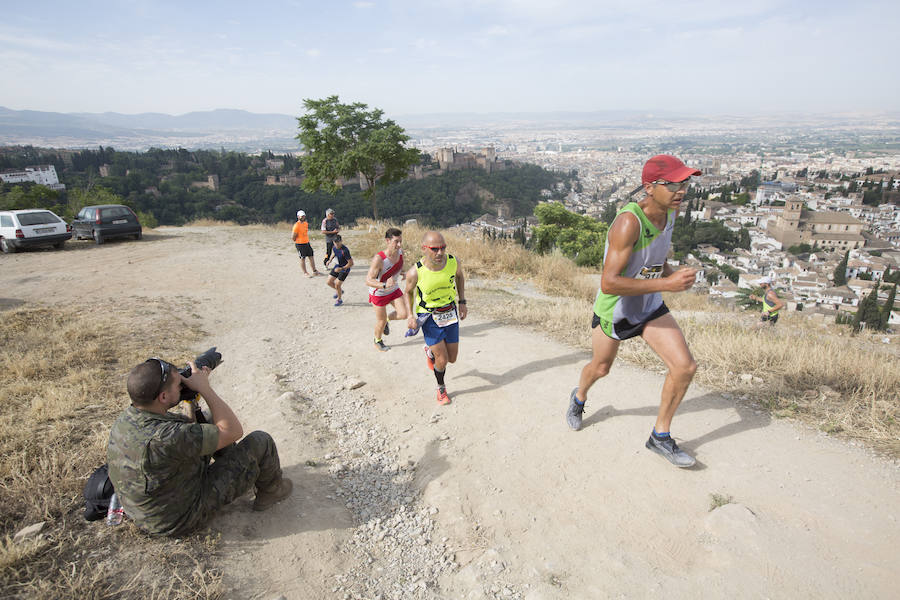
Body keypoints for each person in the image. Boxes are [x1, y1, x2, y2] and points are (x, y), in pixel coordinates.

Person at [566, 154, 701, 468]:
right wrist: (667, 284)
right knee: (600, 369)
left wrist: (669, 272)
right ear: (649, 187)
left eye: (685, 183)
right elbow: (609, 283)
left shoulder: (671, 211)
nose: (681, 190)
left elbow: (655, 254)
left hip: (650, 305)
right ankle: (579, 397)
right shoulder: (628, 222)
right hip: (616, 309)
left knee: (685, 367)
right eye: (673, 184)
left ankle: (660, 436)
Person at [107, 358, 293, 536]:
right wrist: (204, 388)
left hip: (147, 511)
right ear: (163, 396)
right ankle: (272, 491)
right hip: (178, 519)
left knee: (209, 419)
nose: (182, 385)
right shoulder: (167, 436)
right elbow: (233, 431)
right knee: (261, 441)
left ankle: (237, 471)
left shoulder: (128, 419)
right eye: (177, 385)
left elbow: (185, 434)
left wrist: (190, 401)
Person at [405, 231, 467, 405]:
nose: (440, 253)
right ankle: (441, 389)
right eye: (434, 249)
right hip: (429, 316)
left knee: (452, 358)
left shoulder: (453, 262)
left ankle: (430, 351)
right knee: (443, 360)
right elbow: (408, 293)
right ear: (424, 249)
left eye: (443, 248)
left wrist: (462, 301)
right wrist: (410, 315)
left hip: (450, 312)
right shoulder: (415, 272)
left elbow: (460, 277)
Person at [366, 228, 409, 351]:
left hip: (393, 289)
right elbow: (368, 280)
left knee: (403, 314)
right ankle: (377, 341)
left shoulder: (400, 252)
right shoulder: (379, 259)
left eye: (400, 241)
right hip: (379, 293)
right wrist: (384, 285)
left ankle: (387, 321)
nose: (399, 245)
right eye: (396, 241)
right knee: (381, 320)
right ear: (387, 241)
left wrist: (404, 272)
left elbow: (401, 264)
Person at [326, 234, 353, 306]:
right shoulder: (334, 247)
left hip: (345, 269)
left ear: (341, 241)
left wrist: (341, 268)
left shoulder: (345, 250)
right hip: (337, 266)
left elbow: (351, 263)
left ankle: (339, 299)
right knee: (329, 282)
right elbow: (334, 253)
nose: (337, 244)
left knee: (337, 284)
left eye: (338, 242)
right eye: (335, 243)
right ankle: (340, 291)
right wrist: (330, 260)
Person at [292, 210, 320, 277]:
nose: (303, 217)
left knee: (311, 256)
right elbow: (293, 237)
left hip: (306, 242)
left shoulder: (306, 224)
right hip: (300, 244)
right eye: (301, 216)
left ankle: (314, 271)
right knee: (302, 258)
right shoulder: (296, 225)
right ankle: (305, 273)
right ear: (298, 217)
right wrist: (298, 240)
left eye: (303, 216)